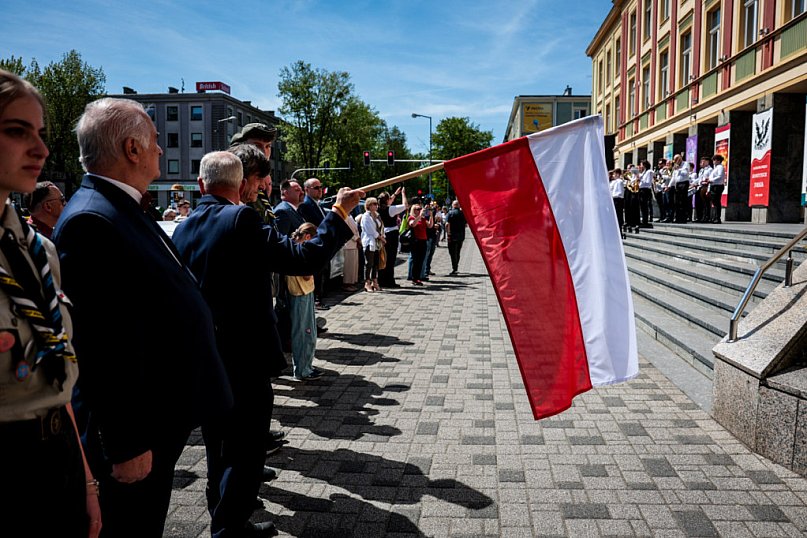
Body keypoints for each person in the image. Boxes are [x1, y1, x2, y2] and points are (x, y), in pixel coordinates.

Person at [53, 97, 233, 538]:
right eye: (154, 141)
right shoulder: (92, 219)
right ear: (131, 149)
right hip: (136, 432)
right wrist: (127, 443)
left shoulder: (119, 205)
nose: (159, 150)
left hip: (157, 416)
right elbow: (102, 345)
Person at [172, 151, 360, 537]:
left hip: (208, 357)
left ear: (201, 185)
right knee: (244, 452)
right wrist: (338, 213)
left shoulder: (186, 226)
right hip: (243, 359)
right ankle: (231, 528)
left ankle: (220, 518)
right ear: (242, 185)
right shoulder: (241, 218)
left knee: (217, 448)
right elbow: (303, 258)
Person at [0, 68, 101, 538]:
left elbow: (56, 382)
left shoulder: (39, 250)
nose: (40, 150)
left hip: (57, 460)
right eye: (17, 132)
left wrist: (85, 482)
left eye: (39, 133)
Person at [287, 222, 322, 381]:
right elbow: (307, 273)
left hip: (305, 291)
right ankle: (302, 370)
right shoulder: (299, 250)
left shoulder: (295, 247)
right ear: (307, 237)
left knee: (308, 333)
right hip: (299, 293)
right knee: (303, 333)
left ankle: (306, 367)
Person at [297, 177, 329, 308]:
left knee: (322, 275)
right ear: (306, 190)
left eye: (320, 187)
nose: (320, 190)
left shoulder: (318, 204)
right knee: (316, 276)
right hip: (315, 245)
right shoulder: (305, 205)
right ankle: (316, 300)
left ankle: (319, 298)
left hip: (322, 246)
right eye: (316, 188)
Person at [377, 187, 408, 288]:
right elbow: (405, 206)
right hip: (391, 235)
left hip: (382, 234)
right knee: (390, 259)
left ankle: (381, 280)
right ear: (386, 200)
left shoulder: (378, 208)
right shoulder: (390, 209)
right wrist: (403, 194)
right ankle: (389, 281)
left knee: (383, 257)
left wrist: (395, 194)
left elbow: (388, 201)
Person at [361, 197, 384, 292]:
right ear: (369, 205)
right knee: (369, 263)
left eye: (376, 204)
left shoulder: (377, 215)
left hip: (377, 243)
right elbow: (370, 230)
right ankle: (367, 283)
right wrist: (380, 237)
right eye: (374, 204)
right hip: (369, 242)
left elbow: (381, 227)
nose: (376, 205)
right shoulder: (366, 216)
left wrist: (382, 236)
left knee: (376, 264)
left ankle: (375, 281)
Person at [408, 203, 432, 285]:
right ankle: (414, 278)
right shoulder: (411, 218)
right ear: (413, 210)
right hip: (416, 241)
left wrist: (431, 215)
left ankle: (417, 277)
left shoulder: (422, 219)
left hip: (423, 241)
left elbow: (430, 226)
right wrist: (419, 216)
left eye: (420, 209)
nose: (419, 210)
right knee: (416, 260)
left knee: (421, 260)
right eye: (417, 209)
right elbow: (412, 224)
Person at [445, 200, 466, 275]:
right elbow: (466, 224)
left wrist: (448, 234)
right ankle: (456, 266)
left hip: (452, 236)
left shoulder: (450, 213)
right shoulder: (463, 213)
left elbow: (447, 224)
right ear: (459, 205)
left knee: (452, 252)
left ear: (453, 205)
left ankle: (454, 268)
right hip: (461, 236)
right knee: (458, 251)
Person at [695, 156, 713, 223]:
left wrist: (708, 189)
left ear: (707, 162)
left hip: (706, 186)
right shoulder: (701, 170)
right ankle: (700, 217)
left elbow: (710, 179)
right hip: (700, 187)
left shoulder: (710, 170)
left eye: (703, 162)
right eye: (701, 162)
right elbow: (699, 178)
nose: (701, 163)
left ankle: (707, 217)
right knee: (699, 203)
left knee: (706, 203)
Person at [709, 154, 726, 223]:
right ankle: (714, 217)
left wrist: (712, 180)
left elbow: (720, 176)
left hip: (718, 186)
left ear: (718, 161)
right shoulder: (715, 168)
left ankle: (717, 218)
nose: (713, 161)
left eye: (714, 160)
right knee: (714, 202)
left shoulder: (720, 167)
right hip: (713, 185)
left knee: (716, 202)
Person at [637, 160, 653, 228]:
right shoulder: (644, 172)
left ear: (645, 165)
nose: (640, 166)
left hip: (645, 190)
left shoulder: (649, 172)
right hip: (641, 189)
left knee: (644, 206)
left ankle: (645, 221)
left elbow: (647, 182)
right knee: (642, 206)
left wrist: (640, 179)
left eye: (641, 165)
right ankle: (643, 221)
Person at [610, 168, 625, 233]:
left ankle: (619, 230)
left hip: (617, 199)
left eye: (614, 174)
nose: (613, 175)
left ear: (618, 174)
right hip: (613, 199)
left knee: (618, 215)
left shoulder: (619, 181)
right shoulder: (614, 182)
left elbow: (619, 192)